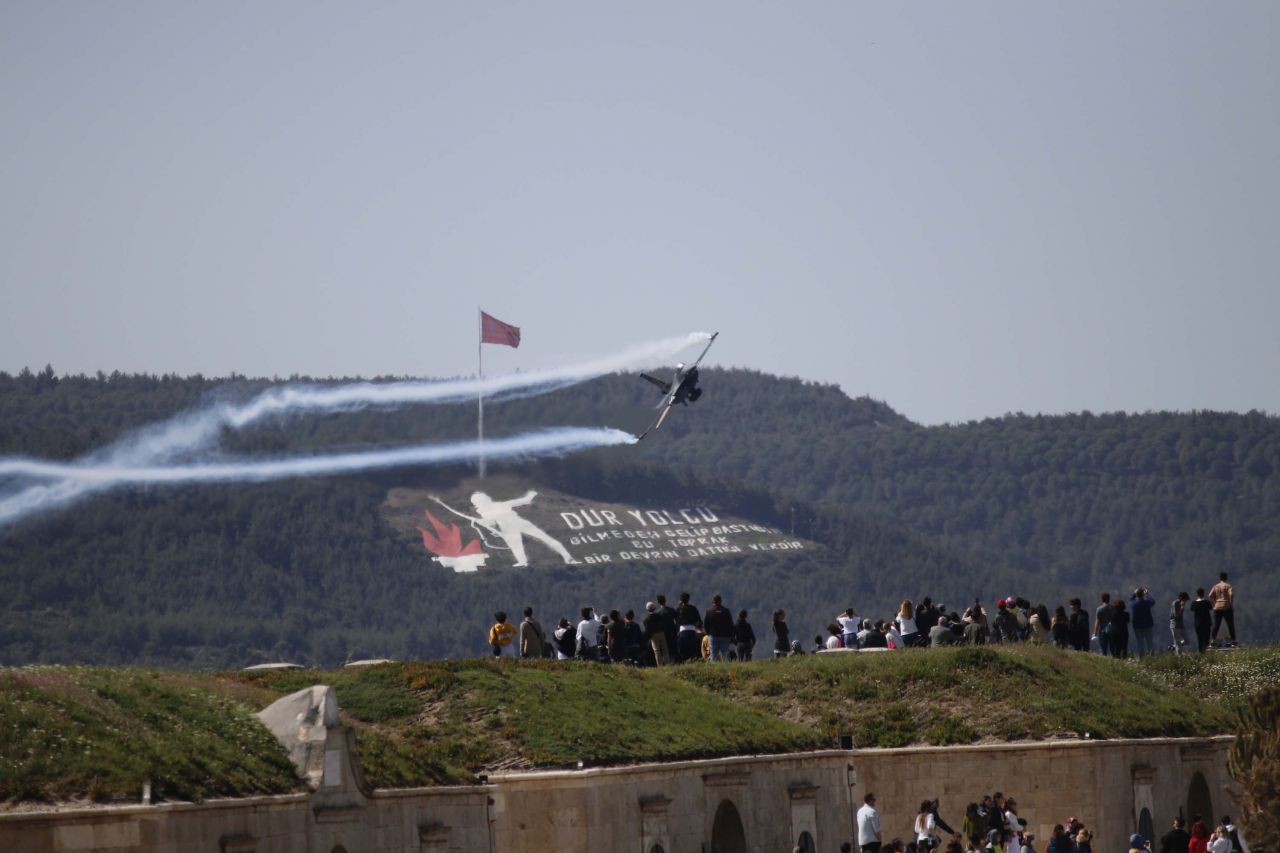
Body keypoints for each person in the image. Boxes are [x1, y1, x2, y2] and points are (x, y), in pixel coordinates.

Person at [704, 594, 735, 661]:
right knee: (725, 654)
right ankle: (727, 669)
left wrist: (708, 633)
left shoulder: (709, 611)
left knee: (713, 654)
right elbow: (730, 625)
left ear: (713, 602)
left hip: (713, 635)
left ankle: (713, 669)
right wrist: (732, 636)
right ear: (720, 601)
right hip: (725, 636)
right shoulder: (726, 611)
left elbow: (705, 624)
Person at [1209, 572, 1236, 645]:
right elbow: (1231, 594)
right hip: (1226, 606)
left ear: (1220, 578)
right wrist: (1230, 603)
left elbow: (1210, 595)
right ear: (1226, 578)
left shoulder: (1216, 586)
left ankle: (1213, 640)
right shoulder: (1228, 586)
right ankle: (1233, 640)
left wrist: (1214, 605)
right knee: (1230, 624)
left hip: (1217, 606)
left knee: (1216, 625)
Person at [676, 592, 702, 663]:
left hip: (682, 631)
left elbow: (676, 621)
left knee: (682, 650)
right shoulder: (693, 609)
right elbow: (699, 621)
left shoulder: (679, 609)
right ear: (688, 599)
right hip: (692, 630)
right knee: (692, 650)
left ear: (681, 600)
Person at [1130, 587, 1156, 657]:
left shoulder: (1133, 604)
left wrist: (1134, 593)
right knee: (1149, 642)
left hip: (1137, 626)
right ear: (1143, 594)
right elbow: (1153, 601)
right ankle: (1152, 656)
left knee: (1140, 643)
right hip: (1148, 625)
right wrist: (1147, 594)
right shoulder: (1147, 602)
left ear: (1136, 595)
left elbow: (1130, 599)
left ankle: (1142, 658)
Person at [657, 594, 679, 664]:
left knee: (665, 649)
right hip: (672, 632)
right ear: (665, 601)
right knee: (673, 649)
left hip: (664, 633)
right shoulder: (671, 610)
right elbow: (677, 620)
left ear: (658, 602)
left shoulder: (659, 613)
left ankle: (666, 662)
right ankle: (675, 662)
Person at [1190, 589, 1213, 653]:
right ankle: (1205, 651)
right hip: (1206, 623)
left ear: (1197, 594)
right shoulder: (1207, 602)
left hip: (1198, 623)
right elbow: (1211, 608)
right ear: (1203, 594)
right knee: (1206, 639)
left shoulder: (1194, 603)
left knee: (1200, 639)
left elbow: (1192, 609)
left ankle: (1201, 653)